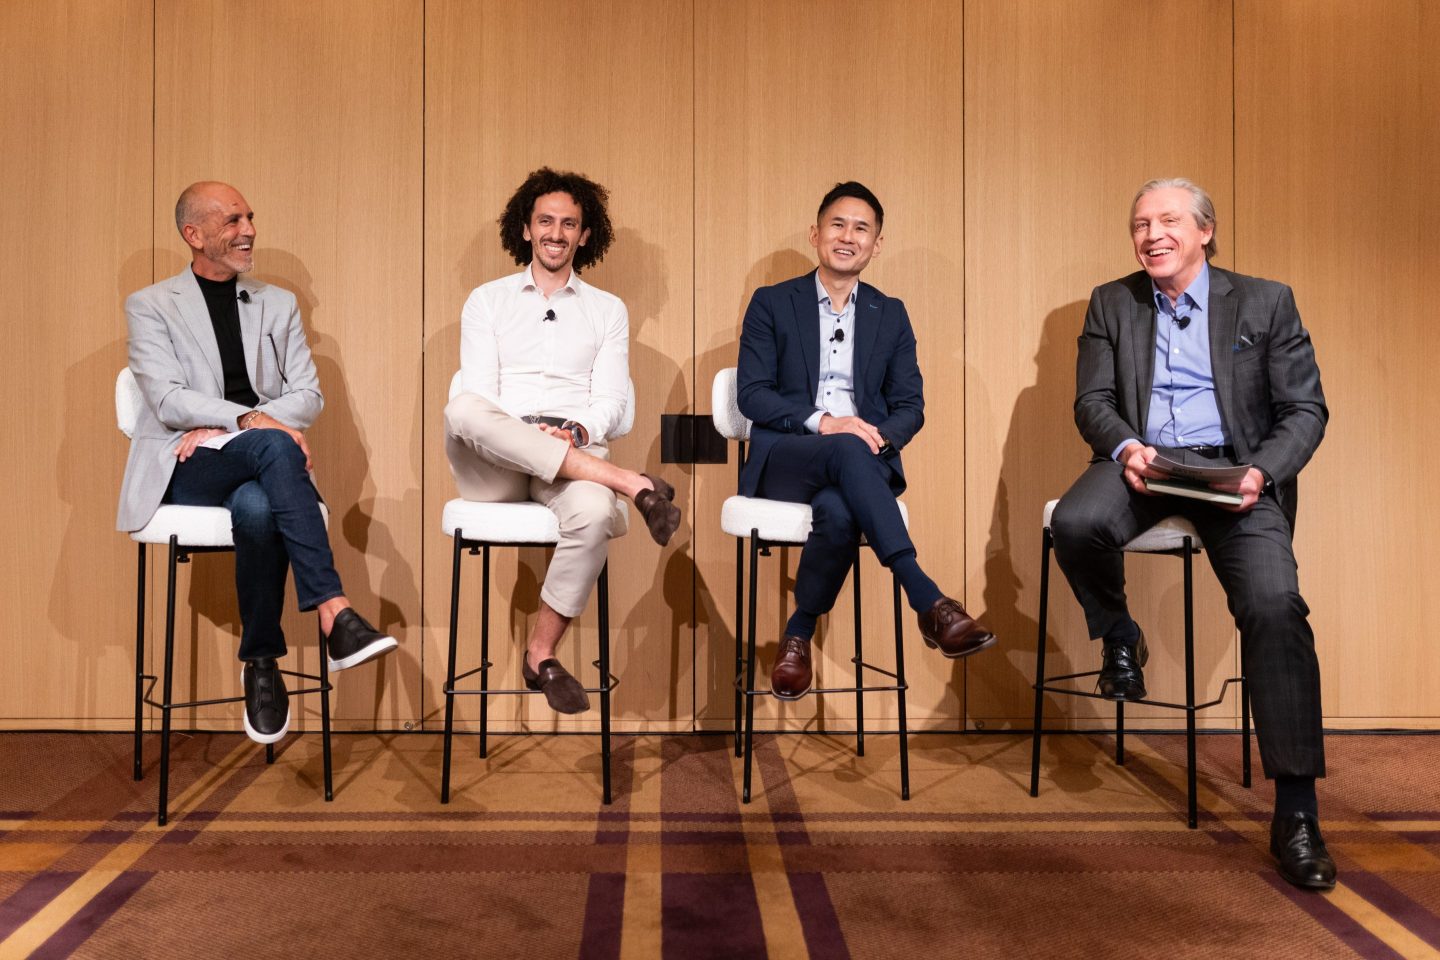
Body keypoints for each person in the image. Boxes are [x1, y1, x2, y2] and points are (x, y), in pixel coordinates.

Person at [1050, 178, 1333, 890]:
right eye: (1140, 224)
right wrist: (1125, 448)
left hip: (1235, 475)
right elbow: (1093, 401)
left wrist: (1260, 473)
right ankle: (1118, 632)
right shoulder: (1111, 302)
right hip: (1146, 464)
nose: (1152, 235)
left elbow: (1305, 410)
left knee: (1276, 609)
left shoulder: (1265, 301)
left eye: (1168, 221)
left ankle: (1296, 812)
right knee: (1077, 522)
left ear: (1206, 231)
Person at [119, 181, 398, 745]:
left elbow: (308, 396)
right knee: (274, 444)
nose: (248, 231)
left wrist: (242, 423)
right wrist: (247, 421)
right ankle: (333, 611)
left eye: (249, 217)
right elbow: (169, 400)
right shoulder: (150, 305)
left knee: (257, 508)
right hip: (186, 462)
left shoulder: (277, 303)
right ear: (193, 235)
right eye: (232, 221)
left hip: (253, 463)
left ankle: (262, 662)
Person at [735, 181, 995, 701]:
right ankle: (927, 598)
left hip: (858, 463)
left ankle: (797, 634)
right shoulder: (771, 303)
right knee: (845, 447)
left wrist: (877, 438)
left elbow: (909, 406)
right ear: (815, 234)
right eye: (837, 224)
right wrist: (824, 422)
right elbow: (753, 396)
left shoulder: (890, 313)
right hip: (787, 457)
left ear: (877, 244)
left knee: (838, 508)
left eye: (862, 229)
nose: (848, 236)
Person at [444, 167, 680, 715]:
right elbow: (478, 393)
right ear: (525, 229)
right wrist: (527, 433)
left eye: (568, 224)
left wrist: (573, 431)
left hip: (573, 453)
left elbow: (612, 404)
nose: (556, 232)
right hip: (493, 463)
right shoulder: (487, 300)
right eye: (545, 221)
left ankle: (541, 653)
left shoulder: (607, 310)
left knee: (595, 512)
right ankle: (630, 483)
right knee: (460, 407)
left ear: (585, 234)